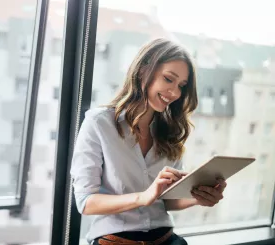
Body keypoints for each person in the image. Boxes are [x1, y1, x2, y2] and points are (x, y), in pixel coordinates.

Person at [70, 38, 227, 245]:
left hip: (166, 239)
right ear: (144, 70)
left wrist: (198, 198)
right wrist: (143, 197)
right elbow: (86, 202)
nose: (175, 93)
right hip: (115, 240)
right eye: (168, 79)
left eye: (181, 85)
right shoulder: (99, 123)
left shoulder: (170, 131)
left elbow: (167, 200)